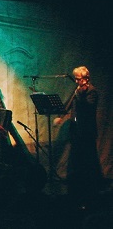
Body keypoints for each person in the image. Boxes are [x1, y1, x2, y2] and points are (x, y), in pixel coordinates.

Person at [53, 66, 102, 197]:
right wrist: (60, 116)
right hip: (76, 129)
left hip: (87, 131)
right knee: (76, 157)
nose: (76, 81)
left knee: (89, 158)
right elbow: (68, 104)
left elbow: (87, 108)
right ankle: (78, 183)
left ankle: (91, 185)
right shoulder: (77, 90)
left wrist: (81, 93)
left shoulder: (92, 92)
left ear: (86, 79)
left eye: (78, 79)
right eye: (75, 79)